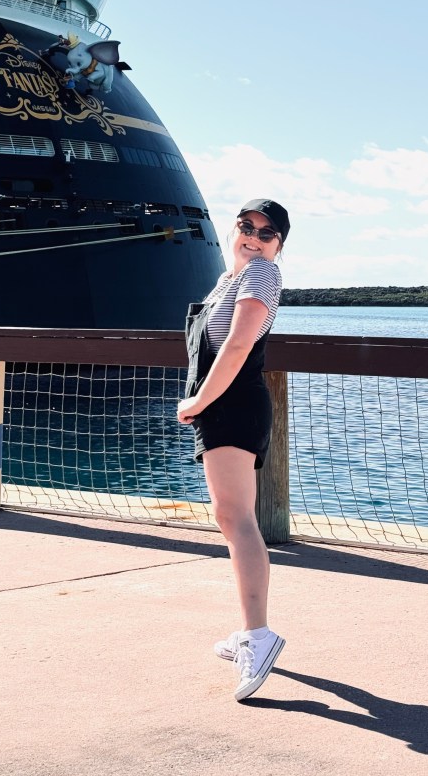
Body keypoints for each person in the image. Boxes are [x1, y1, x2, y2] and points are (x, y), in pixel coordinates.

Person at [177, 198, 290, 702]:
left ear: (278, 246)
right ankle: (249, 629)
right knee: (230, 517)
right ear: (233, 229)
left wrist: (201, 398)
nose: (254, 237)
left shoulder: (261, 275)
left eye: (266, 233)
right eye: (246, 226)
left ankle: (260, 636)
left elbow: (238, 346)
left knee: (238, 519)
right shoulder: (228, 280)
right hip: (223, 407)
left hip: (233, 405)